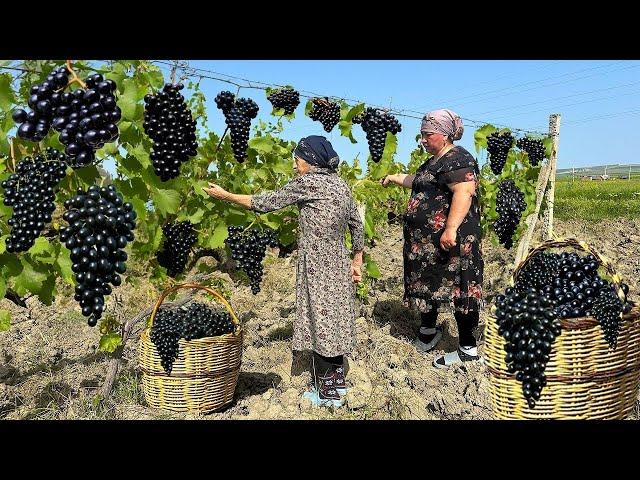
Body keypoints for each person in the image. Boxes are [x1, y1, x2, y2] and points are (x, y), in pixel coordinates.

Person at [203, 135, 364, 407]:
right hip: (338, 260)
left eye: (297, 160)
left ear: (310, 161)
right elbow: (356, 224)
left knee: (319, 321)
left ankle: (328, 395)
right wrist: (356, 259)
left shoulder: (308, 182)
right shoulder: (341, 184)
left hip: (317, 264)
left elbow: (266, 202)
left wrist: (226, 196)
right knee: (334, 318)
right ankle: (337, 384)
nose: (294, 165)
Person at [381, 109, 484, 368]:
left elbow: (464, 192)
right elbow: (421, 182)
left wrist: (449, 229)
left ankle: (467, 350)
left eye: (428, 134)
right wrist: (395, 178)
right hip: (427, 245)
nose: (423, 140)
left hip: (451, 241)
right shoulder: (434, 161)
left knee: (461, 288)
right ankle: (428, 331)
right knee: (428, 284)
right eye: (422, 135)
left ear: (445, 134)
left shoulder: (458, 158)